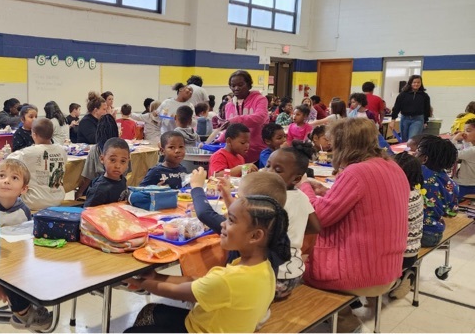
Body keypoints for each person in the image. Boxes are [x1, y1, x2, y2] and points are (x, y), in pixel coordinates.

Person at [124, 169, 290, 333]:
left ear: (255, 236)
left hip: (198, 329)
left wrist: (140, 282)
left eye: (231, 220)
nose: (223, 224)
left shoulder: (229, 280)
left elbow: (176, 292)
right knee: (150, 311)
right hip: (211, 324)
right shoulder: (262, 266)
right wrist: (157, 277)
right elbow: (199, 281)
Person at [298, 118, 408, 331]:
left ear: (345, 144)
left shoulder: (356, 172)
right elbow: (366, 205)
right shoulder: (392, 166)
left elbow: (318, 217)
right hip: (389, 266)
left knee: (291, 264)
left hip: (360, 272)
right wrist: (328, 193)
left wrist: (305, 187)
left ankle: (345, 321)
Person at [0, 159, 53, 331]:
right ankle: (23, 312)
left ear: (24, 189)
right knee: (11, 274)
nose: (6, 180)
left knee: (28, 269)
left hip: (11, 262)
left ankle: (30, 306)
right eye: (1, 176)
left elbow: (28, 239)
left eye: (14, 178)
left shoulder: (24, 210)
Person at [263, 141, 321, 299]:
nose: (268, 172)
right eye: (268, 165)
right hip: (295, 273)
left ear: (296, 179)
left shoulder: (275, 200)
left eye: (277, 170)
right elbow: (315, 226)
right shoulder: (301, 196)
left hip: (276, 278)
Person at [8, 118, 67, 210]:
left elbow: (8, 161)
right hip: (58, 199)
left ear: (34, 134)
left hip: (34, 201)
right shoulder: (61, 150)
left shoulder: (26, 153)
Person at [388, 152, 424, 300]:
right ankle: (401, 277)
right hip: (412, 252)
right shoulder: (416, 193)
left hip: (399, 255)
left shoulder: (395, 196)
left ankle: (398, 280)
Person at [414, 135, 459, 247]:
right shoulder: (451, 183)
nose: (415, 153)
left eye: (418, 150)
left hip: (417, 233)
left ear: (425, 158)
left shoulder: (417, 173)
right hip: (435, 234)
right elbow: (451, 212)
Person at [220, 70, 269, 163]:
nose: (236, 88)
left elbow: (260, 118)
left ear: (249, 85)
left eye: (240, 85)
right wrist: (219, 140)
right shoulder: (228, 106)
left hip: (257, 153)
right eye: (233, 86)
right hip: (236, 155)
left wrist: (236, 120)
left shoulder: (259, 99)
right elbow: (229, 129)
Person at [77, 114, 127, 199]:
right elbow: (126, 172)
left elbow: (89, 175)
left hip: (101, 189)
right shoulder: (123, 149)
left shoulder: (96, 149)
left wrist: (80, 192)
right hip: (119, 188)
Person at [84, 138, 131, 207]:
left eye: (123, 161)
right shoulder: (99, 190)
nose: (118, 166)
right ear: (102, 159)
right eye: (113, 160)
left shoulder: (122, 179)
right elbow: (87, 213)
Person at [392, 75, 431, 142]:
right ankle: (406, 152)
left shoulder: (424, 96)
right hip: (405, 119)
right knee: (404, 140)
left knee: (412, 140)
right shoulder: (403, 94)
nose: (416, 84)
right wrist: (393, 120)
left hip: (417, 119)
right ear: (410, 83)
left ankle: (412, 151)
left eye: (418, 82)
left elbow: (427, 109)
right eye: (414, 82)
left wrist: (425, 121)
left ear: (421, 83)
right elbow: (396, 107)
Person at [452, 119, 475, 198]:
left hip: (466, 185)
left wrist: (454, 139)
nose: (464, 133)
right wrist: (465, 140)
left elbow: (451, 153)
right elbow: (466, 150)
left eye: (468, 131)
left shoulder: (473, 150)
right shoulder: (472, 149)